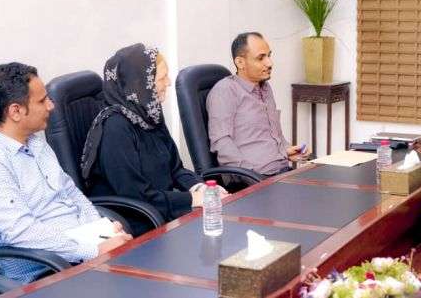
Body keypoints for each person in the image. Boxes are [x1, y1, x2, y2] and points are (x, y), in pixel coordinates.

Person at [0, 63, 132, 284]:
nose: (51, 106)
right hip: (45, 273)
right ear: (15, 111)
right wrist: (93, 249)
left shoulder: (36, 143)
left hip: (81, 254)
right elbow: (23, 233)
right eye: (42, 100)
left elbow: (71, 192)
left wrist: (103, 230)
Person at [82, 44, 226, 231]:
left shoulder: (150, 113)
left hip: (161, 208)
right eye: (162, 78)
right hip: (139, 219)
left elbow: (176, 169)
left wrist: (202, 189)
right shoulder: (114, 127)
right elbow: (136, 195)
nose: (168, 83)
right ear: (141, 83)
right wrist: (192, 199)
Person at [207, 32, 309, 176]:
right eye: (261, 58)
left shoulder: (265, 88)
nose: (269, 63)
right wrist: (251, 176)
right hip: (255, 178)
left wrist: (286, 150)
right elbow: (222, 142)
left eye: (269, 55)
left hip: (281, 172)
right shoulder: (225, 90)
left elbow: (271, 135)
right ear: (240, 62)